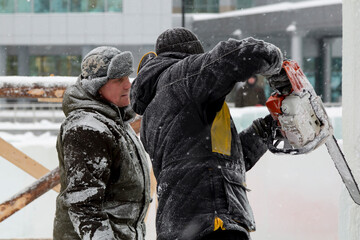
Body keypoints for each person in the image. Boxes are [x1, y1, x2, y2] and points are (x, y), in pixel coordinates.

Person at [130, 27, 287, 240]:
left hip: (181, 225)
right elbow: (233, 54)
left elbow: (215, 161)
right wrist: (276, 64)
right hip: (209, 222)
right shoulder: (182, 76)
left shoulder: (153, 108)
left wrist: (265, 130)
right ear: (192, 54)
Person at [53, 46, 151, 240]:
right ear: (97, 86)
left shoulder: (115, 119)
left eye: (127, 77)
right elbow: (84, 206)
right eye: (118, 80)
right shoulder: (87, 129)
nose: (128, 85)